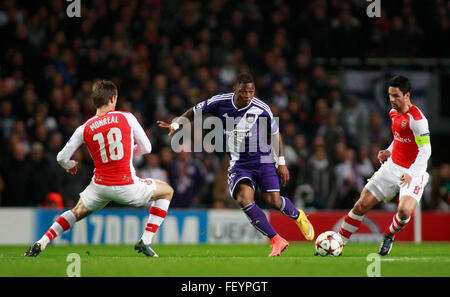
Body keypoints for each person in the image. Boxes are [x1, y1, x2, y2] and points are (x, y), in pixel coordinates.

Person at [157, 73, 314, 257]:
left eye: (251, 92)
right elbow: (195, 110)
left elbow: (275, 135)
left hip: (263, 159)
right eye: (244, 92)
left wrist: (281, 162)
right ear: (235, 90)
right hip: (239, 162)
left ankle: (298, 215)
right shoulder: (220, 102)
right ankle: (276, 240)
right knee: (244, 199)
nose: (248, 96)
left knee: (274, 201)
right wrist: (176, 125)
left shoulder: (261, 107)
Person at [25, 80, 174, 257]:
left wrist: (70, 165)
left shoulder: (84, 128)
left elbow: (60, 158)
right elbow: (147, 148)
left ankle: (42, 242)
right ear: (112, 99)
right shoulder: (127, 118)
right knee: (166, 191)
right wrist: (128, 152)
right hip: (126, 185)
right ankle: (146, 240)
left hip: (100, 187)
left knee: (76, 212)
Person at [337, 75, 431, 256]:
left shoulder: (418, 120)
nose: (392, 100)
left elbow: (425, 151)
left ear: (407, 95)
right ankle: (338, 243)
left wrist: (411, 173)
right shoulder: (393, 113)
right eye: (390, 95)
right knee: (361, 203)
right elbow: (399, 138)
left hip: (414, 172)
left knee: (404, 212)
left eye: (396, 96)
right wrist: (388, 150)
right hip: (392, 166)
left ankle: (388, 234)